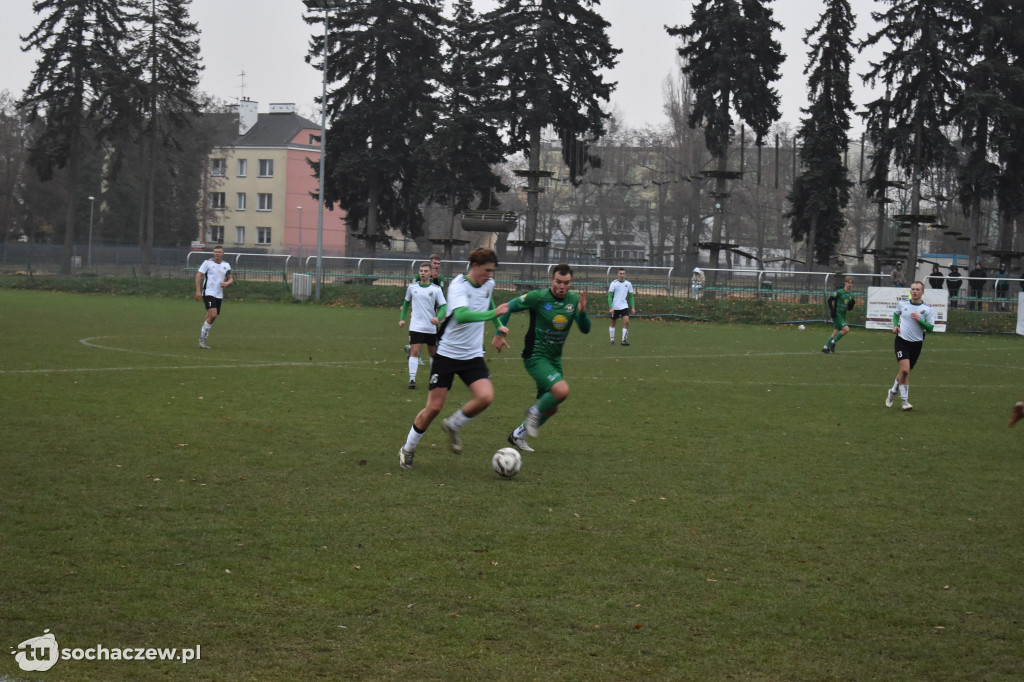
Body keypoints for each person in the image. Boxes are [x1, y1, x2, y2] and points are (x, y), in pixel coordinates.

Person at [398, 248, 510, 470]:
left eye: (493, 272)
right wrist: (493, 315)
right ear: (475, 266)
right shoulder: (458, 285)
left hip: (472, 354)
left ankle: (454, 425)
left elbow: (488, 301)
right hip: (447, 354)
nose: (490, 275)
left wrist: (498, 329)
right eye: (487, 270)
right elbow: (461, 315)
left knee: (486, 397)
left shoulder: (489, 284)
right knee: (434, 408)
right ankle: (408, 448)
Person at [492, 263, 591, 452]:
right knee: (561, 391)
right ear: (551, 280)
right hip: (535, 355)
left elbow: (585, 329)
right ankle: (533, 412)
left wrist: (582, 313)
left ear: (571, 282)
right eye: (559, 282)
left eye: (566, 283)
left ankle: (517, 435)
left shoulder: (573, 300)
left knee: (552, 407)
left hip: (554, 359)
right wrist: (499, 333)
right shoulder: (538, 297)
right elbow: (507, 307)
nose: (562, 286)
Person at [884, 281, 936, 412]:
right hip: (902, 341)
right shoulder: (903, 304)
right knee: (905, 370)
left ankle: (893, 391)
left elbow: (930, 328)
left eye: (918, 289)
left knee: (904, 371)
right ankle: (904, 401)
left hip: (916, 344)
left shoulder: (927, 309)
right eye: (913, 289)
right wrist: (895, 325)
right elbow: (896, 314)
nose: (915, 291)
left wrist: (920, 320)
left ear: (923, 292)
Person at [399, 263, 446, 389]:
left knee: (432, 353)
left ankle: (433, 378)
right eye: (421, 271)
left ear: (430, 273)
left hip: (430, 327)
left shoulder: (436, 289)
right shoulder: (412, 287)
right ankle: (412, 380)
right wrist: (402, 319)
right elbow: (406, 302)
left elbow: (443, 306)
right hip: (416, 326)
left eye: (425, 271)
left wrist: (438, 317)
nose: (423, 273)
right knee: (415, 351)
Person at [194, 245, 233, 349]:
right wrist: (198, 291)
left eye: (219, 252)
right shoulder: (207, 263)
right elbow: (198, 275)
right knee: (213, 314)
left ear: (222, 253)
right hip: (208, 292)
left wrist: (227, 283)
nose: (217, 254)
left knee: (210, 316)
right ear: (213, 253)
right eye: (215, 252)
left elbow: (230, 278)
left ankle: (202, 338)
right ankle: (202, 339)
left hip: (218, 294)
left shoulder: (226, 265)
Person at [822, 276, 855, 354]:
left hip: (843, 315)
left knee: (835, 332)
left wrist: (852, 304)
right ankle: (833, 342)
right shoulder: (839, 292)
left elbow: (849, 309)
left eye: (851, 283)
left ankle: (825, 347)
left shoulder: (851, 295)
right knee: (846, 329)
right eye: (848, 283)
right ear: (845, 283)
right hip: (837, 314)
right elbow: (829, 300)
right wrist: (832, 311)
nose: (850, 284)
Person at [607, 268, 635, 346]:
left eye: (623, 274)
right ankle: (612, 340)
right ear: (617, 274)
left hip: (624, 306)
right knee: (613, 322)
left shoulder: (628, 284)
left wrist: (632, 307)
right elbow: (610, 296)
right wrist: (611, 307)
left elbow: (631, 296)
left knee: (626, 321)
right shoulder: (614, 283)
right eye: (620, 273)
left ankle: (624, 340)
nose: (622, 275)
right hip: (615, 306)